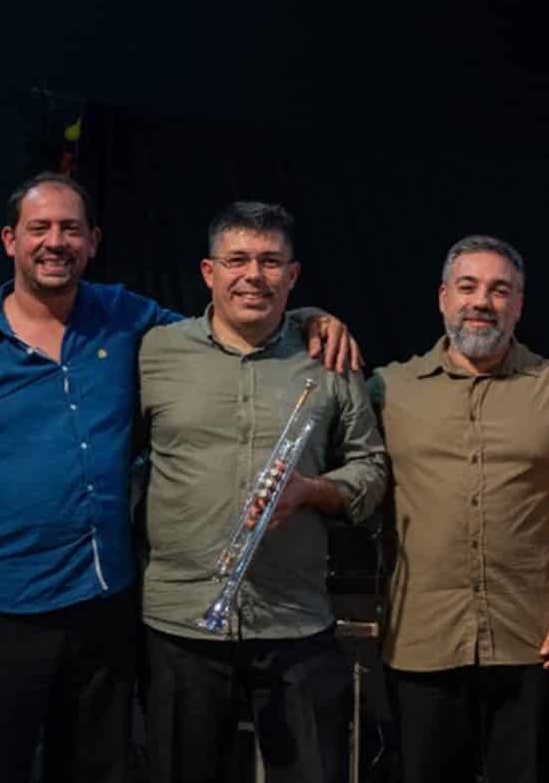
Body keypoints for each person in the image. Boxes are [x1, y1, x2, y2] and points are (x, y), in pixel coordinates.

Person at [0, 174, 356, 783]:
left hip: (105, 606)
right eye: (40, 228)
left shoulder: (127, 320)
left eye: (70, 229)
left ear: (93, 241)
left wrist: (305, 317)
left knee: (98, 769)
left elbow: (223, 325)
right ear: (10, 240)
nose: (55, 242)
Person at [137, 201, 388, 783]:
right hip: (182, 623)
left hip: (293, 620)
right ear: (209, 272)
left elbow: (371, 468)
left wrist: (312, 491)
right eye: (238, 260)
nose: (254, 275)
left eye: (271, 262)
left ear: (292, 276)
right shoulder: (156, 351)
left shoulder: (328, 358)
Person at [369, 235, 549, 783]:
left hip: (533, 639)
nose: (481, 301)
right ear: (443, 297)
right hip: (422, 639)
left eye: (499, 290)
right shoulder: (388, 389)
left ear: (519, 305)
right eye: (467, 287)